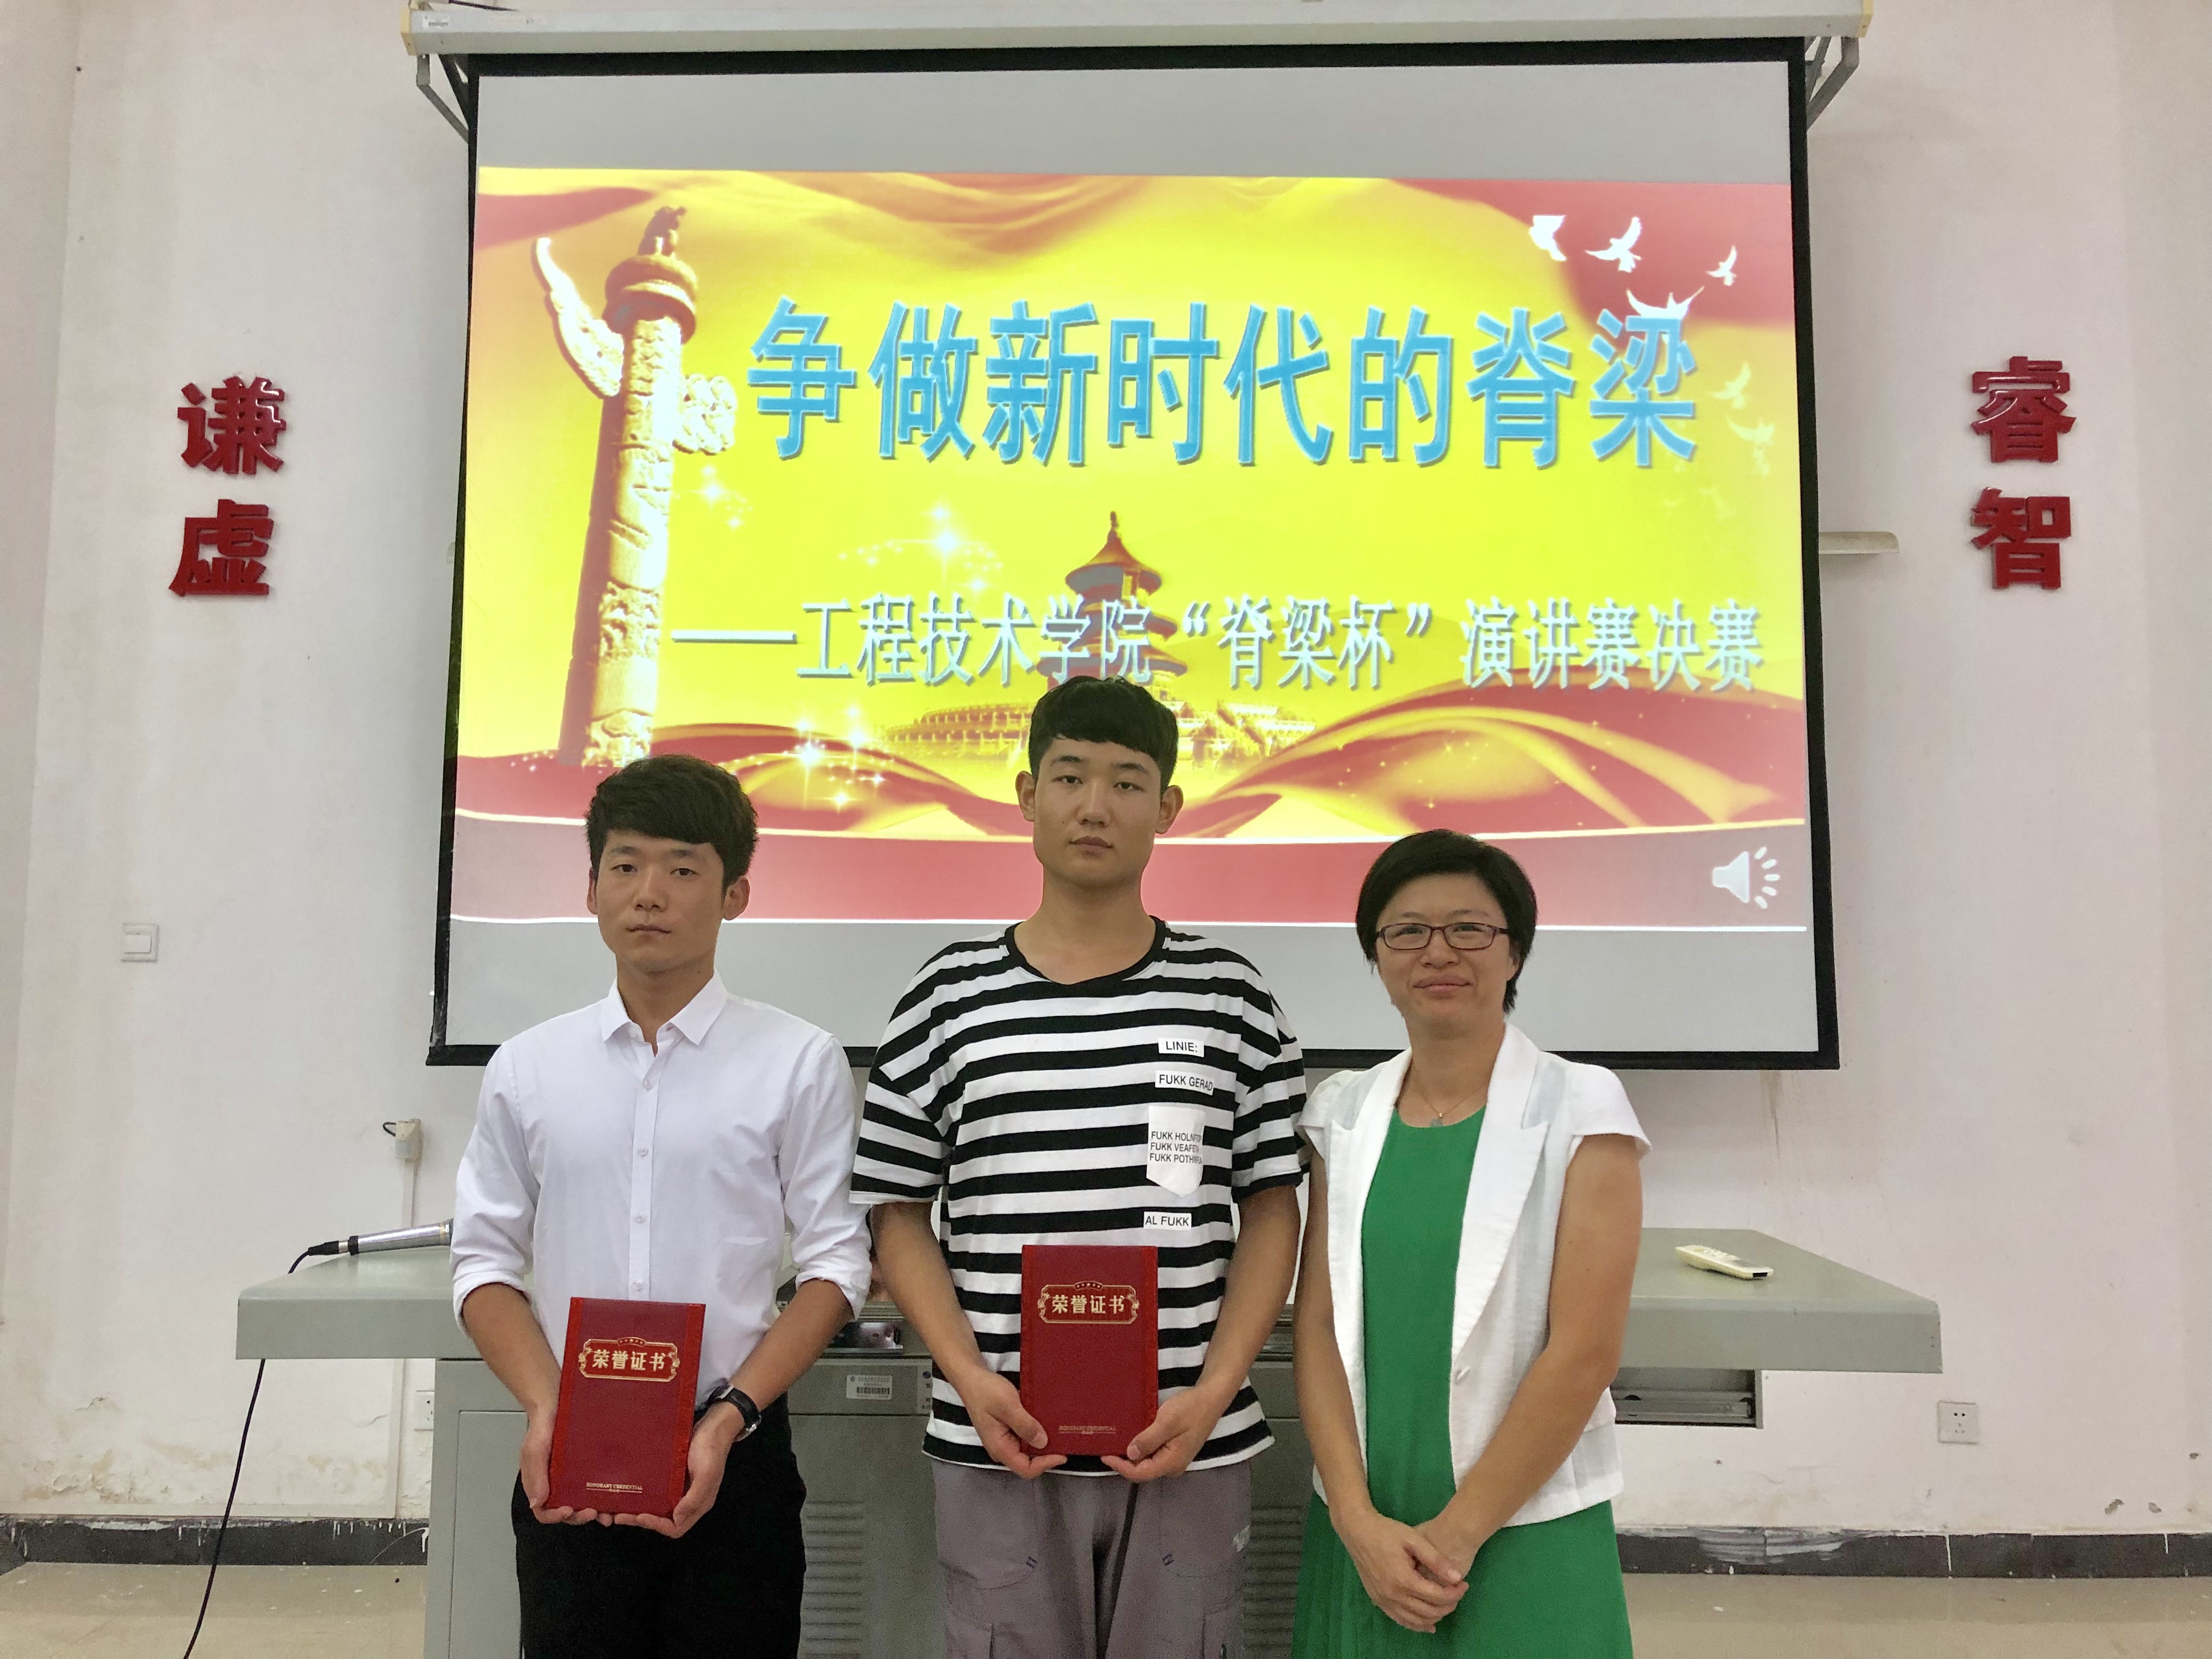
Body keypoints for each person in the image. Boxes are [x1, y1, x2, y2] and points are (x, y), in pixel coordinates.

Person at [854, 676, 1307, 1659]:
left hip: (1190, 1439)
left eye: (1127, 783)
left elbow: (1274, 1207)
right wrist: (969, 1378)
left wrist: (1216, 1390)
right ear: (1028, 795)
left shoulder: (1230, 996)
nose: (1095, 806)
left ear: (1168, 808)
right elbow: (896, 1211)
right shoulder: (946, 996)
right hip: (999, 1440)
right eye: (1069, 777)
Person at [450, 754, 871, 1659]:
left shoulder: (798, 1061)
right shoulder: (527, 1067)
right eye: (626, 865)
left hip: (735, 1446)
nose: (650, 893)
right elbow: (482, 1261)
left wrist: (730, 1418)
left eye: (683, 868)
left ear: (735, 895)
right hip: (573, 1453)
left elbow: (838, 1267)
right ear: (591, 887)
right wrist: (550, 1410)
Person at [1292, 830, 1647, 1658]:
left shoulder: (1582, 1107)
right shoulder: (1342, 1112)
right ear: (1378, 957)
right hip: (1368, 1526)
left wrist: (1456, 1537)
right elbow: (1318, 1328)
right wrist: (1355, 1520)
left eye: (1469, 929)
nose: (1438, 952)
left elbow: (1585, 1352)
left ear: (1514, 952)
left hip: (1522, 1522)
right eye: (1407, 931)